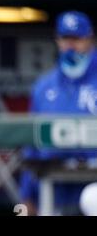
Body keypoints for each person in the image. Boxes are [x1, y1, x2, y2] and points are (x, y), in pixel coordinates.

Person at [19, 11, 97, 216]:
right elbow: (31, 146)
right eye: (66, 38)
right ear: (58, 40)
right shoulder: (44, 87)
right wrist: (26, 197)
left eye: (77, 39)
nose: (71, 45)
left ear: (90, 39)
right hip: (54, 192)